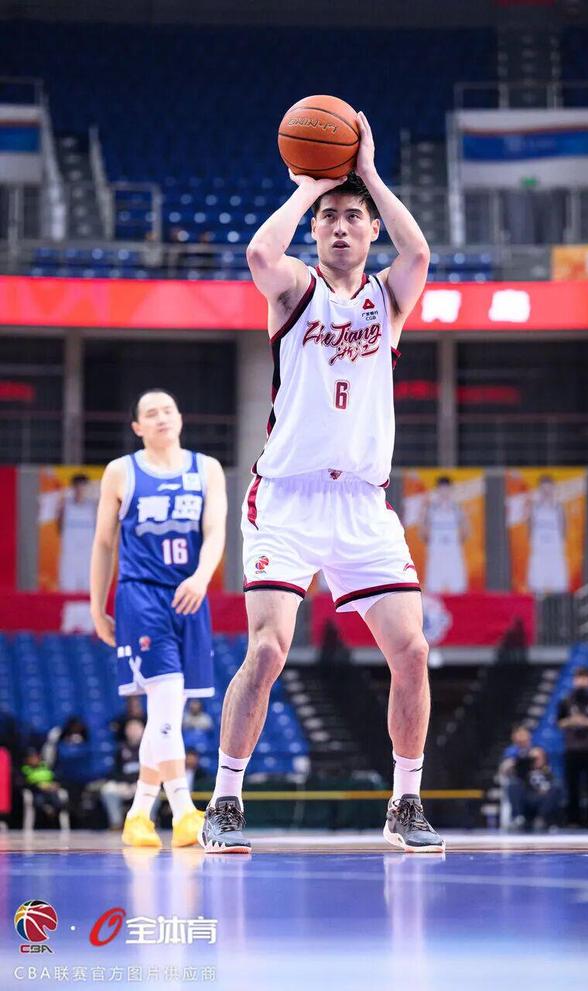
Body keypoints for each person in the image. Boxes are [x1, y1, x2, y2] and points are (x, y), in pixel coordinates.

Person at [200, 113, 444, 854]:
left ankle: (406, 802)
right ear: (315, 229)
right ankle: (226, 800)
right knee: (268, 650)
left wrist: (366, 174)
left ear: (370, 230)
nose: (341, 226)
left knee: (413, 652)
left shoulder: (388, 299)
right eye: (330, 218)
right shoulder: (295, 289)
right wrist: (310, 185)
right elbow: (258, 251)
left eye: (352, 218)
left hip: (363, 503)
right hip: (287, 498)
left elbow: (420, 251)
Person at [91, 389, 227, 848]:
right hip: (142, 597)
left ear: (180, 418)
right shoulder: (121, 471)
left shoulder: (206, 469)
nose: (162, 417)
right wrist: (97, 607)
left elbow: (215, 531)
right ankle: (185, 812)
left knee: (168, 712)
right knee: (166, 703)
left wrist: (202, 578)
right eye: (151, 413)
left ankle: (138, 815)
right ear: (137, 427)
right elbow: (104, 544)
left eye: (168, 410)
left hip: (189, 596)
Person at [557, 666, 588, 827]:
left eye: (586, 679)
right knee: (572, 786)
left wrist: (584, 721)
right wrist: (573, 721)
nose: (582, 682)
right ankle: (573, 819)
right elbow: (560, 722)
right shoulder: (565, 701)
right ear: (574, 680)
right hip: (572, 749)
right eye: (579, 678)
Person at [499, 732, 561, 831]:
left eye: (538, 758)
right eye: (533, 758)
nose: (536, 760)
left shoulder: (547, 771)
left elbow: (552, 784)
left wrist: (545, 788)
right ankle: (518, 818)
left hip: (543, 800)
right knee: (513, 784)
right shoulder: (524, 771)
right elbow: (505, 772)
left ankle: (542, 819)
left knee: (556, 788)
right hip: (527, 798)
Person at [423, 476, 468, 594]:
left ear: (451, 490)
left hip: (452, 550)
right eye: (441, 489)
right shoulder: (431, 509)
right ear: (437, 490)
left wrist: (456, 543)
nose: (444, 492)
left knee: (457, 586)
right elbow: (424, 532)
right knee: (433, 586)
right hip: (436, 550)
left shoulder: (457, 508)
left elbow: (465, 529)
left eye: (446, 489)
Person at [526, 475, 569, 595]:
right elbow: (529, 529)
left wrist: (558, 545)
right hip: (539, 554)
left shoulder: (559, 508)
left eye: (548, 489)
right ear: (539, 490)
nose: (546, 492)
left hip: (555, 554)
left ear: (553, 489)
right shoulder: (534, 508)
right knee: (536, 589)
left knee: (559, 589)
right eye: (543, 489)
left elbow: (564, 529)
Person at [100, 717, 145, 830]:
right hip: (123, 784)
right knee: (108, 790)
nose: (134, 731)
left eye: (136, 728)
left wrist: (136, 783)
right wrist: (124, 783)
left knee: (153, 791)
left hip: (142, 784)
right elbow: (114, 771)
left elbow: (153, 771)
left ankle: (146, 822)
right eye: (131, 728)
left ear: (143, 730)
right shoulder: (120, 748)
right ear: (126, 731)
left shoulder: (149, 748)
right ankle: (116, 823)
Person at [57, 474, 98, 592]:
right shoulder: (65, 505)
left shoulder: (94, 507)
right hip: (70, 556)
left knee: (89, 589)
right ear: (73, 488)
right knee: (67, 588)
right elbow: (59, 528)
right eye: (78, 486)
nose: (81, 490)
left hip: (87, 556)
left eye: (83, 487)